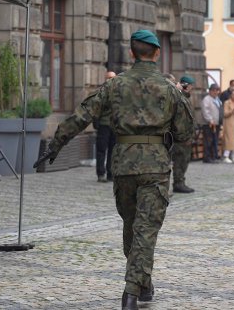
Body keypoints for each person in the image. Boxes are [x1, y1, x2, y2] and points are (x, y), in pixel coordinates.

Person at [34, 30, 193, 310]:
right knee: (145, 229)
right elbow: (185, 133)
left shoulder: (115, 85)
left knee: (133, 226)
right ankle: (131, 292)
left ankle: (142, 283)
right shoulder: (170, 89)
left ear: (132, 53)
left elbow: (83, 114)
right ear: (156, 53)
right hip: (155, 165)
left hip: (123, 164)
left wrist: (55, 144)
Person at [172, 75, 197, 193]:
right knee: (180, 160)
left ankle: (180, 181)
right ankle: (178, 183)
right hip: (181, 136)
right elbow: (179, 119)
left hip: (187, 135)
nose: (191, 88)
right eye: (190, 85)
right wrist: (182, 135)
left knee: (184, 160)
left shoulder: (187, 98)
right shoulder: (179, 97)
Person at [95, 71, 117, 182]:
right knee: (101, 150)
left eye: (112, 78)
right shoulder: (100, 92)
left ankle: (110, 173)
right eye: (108, 78)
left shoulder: (119, 92)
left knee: (113, 151)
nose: (110, 80)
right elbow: (95, 109)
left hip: (115, 126)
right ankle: (100, 173)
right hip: (104, 125)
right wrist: (96, 123)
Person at [201, 84, 221, 163]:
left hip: (216, 123)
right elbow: (205, 111)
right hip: (209, 124)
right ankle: (207, 157)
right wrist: (210, 120)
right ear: (210, 91)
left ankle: (213, 157)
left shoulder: (217, 99)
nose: (216, 92)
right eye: (214, 90)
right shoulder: (207, 99)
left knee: (214, 141)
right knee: (208, 141)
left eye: (217, 90)